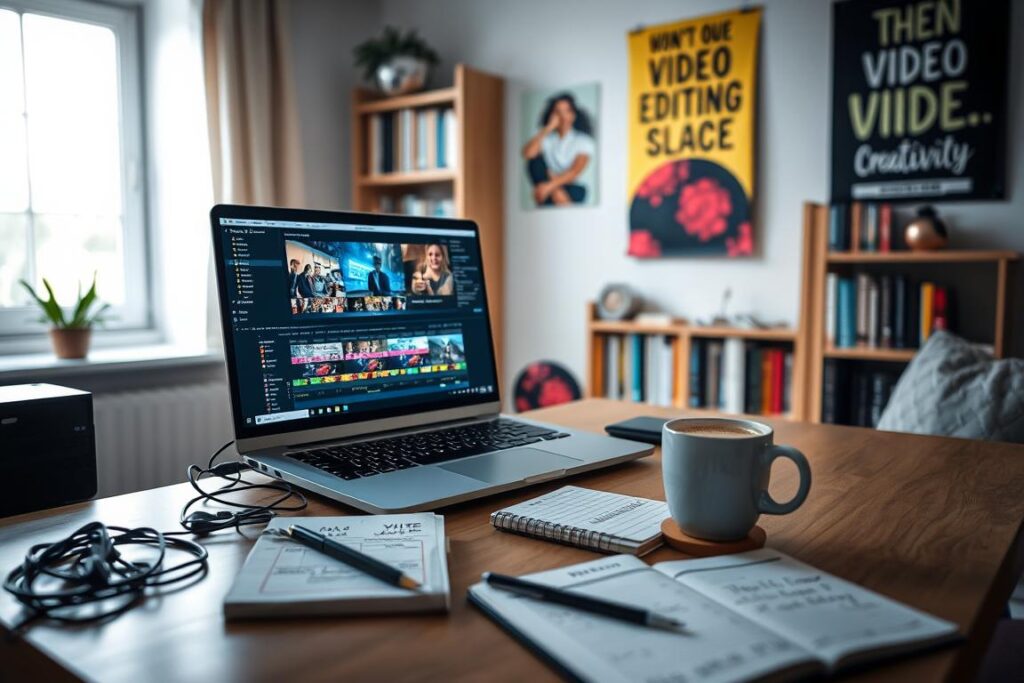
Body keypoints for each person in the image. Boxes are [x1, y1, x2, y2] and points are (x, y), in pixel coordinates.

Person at [522, 92, 595, 206]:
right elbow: (528, 154)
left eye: (566, 111)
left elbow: (574, 172)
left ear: (573, 115)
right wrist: (548, 127)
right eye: (558, 112)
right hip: (546, 182)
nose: (562, 116)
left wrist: (550, 186)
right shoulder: (547, 138)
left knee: (572, 194)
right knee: (535, 162)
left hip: (568, 186)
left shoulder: (583, 140)